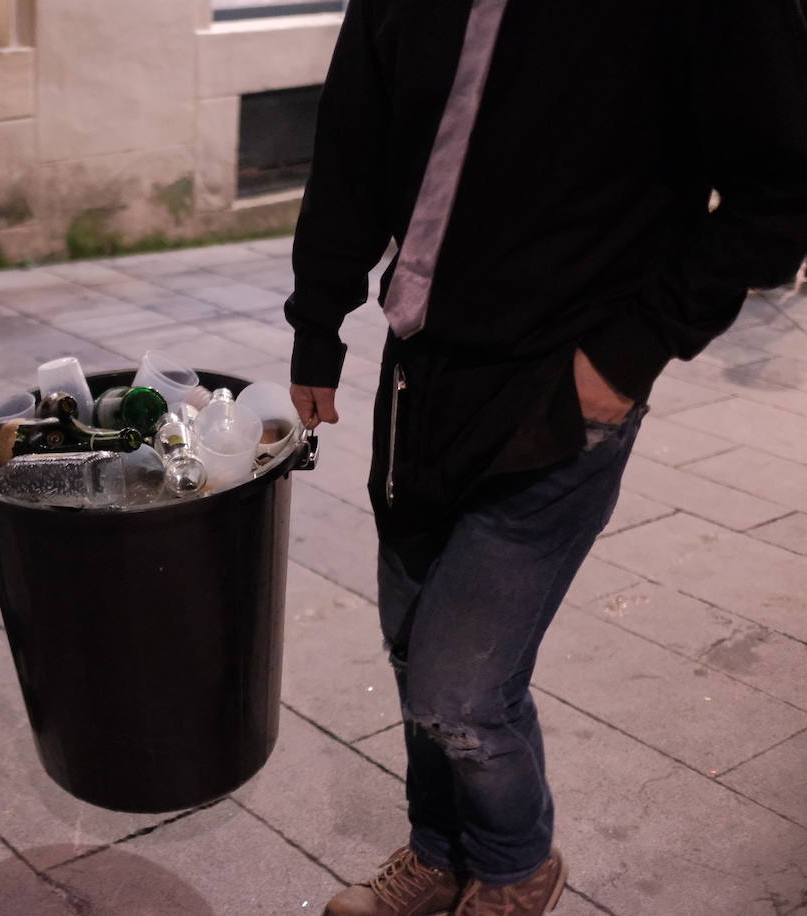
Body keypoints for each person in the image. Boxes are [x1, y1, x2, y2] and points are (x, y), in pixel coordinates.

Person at [285, 1, 807, 913]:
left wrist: (632, 352)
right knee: (414, 651)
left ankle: (519, 864)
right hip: (424, 371)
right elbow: (352, 141)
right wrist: (316, 326)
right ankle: (442, 854)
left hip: (566, 385)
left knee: (461, 688)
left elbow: (783, 188)